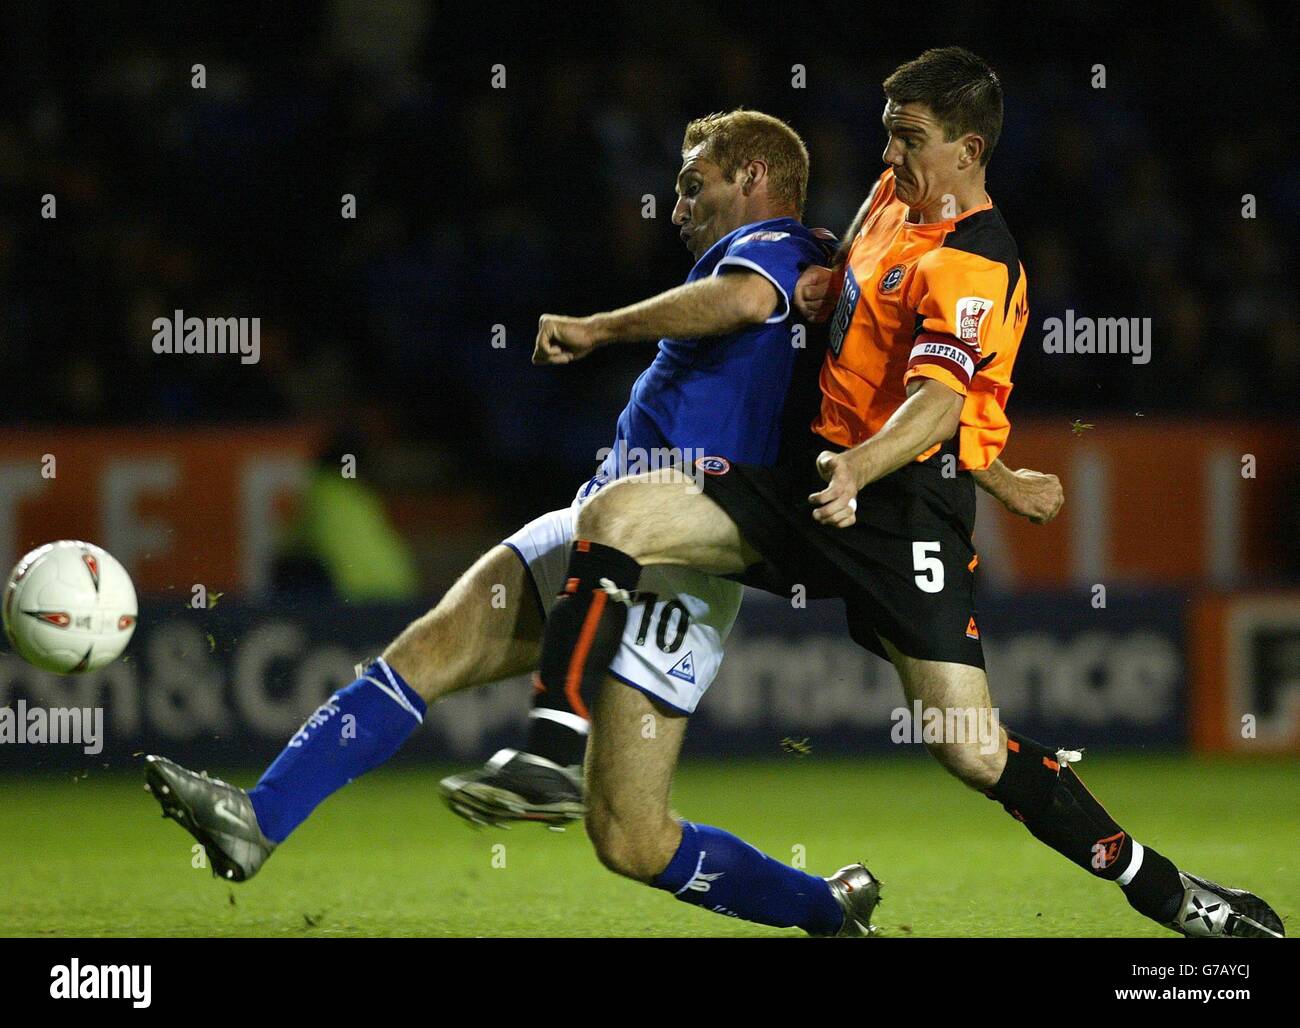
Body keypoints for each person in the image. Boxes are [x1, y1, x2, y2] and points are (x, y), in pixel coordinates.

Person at [144, 107, 1059, 935]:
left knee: (631, 836)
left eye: (691, 183)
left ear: (751, 178)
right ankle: (258, 819)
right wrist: (1000, 471)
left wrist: (597, 327)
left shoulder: (780, 248)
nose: (675, 209)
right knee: (426, 651)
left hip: (678, 556)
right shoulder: (824, 267)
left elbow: (754, 305)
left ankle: (816, 905)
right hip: (607, 522)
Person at [522, 48, 1283, 939]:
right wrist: (823, 280)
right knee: (620, 512)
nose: (887, 157)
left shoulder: (977, 263)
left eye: (908, 139)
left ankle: (1174, 896)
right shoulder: (894, 200)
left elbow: (934, 403)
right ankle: (548, 746)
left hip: (897, 515)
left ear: (968, 148)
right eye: (887, 133)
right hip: (811, 483)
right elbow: (867, 330)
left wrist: (883, 468)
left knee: (967, 748)